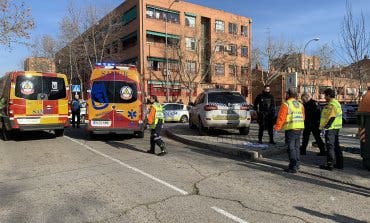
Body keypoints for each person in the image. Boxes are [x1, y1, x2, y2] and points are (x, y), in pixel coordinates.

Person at [274, 88, 305, 173]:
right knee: (296, 147)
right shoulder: (300, 104)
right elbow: (303, 117)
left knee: (291, 148)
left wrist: (277, 128)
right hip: (299, 127)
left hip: (291, 128)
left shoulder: (286, 104)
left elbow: (281, 118)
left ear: (288, 94)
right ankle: (297, 164)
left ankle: (293, 166)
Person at [319, 88, 343, 170]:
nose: (324, 97)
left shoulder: (331, 105)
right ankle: (339, 164)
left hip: (330, 129)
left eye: (325, 95)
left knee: (330, 147)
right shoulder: (337, 103)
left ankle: (330, 165)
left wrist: (325, 128)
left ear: (328, 95)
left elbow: (331, 117)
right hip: (335, 128)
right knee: (336, 146)